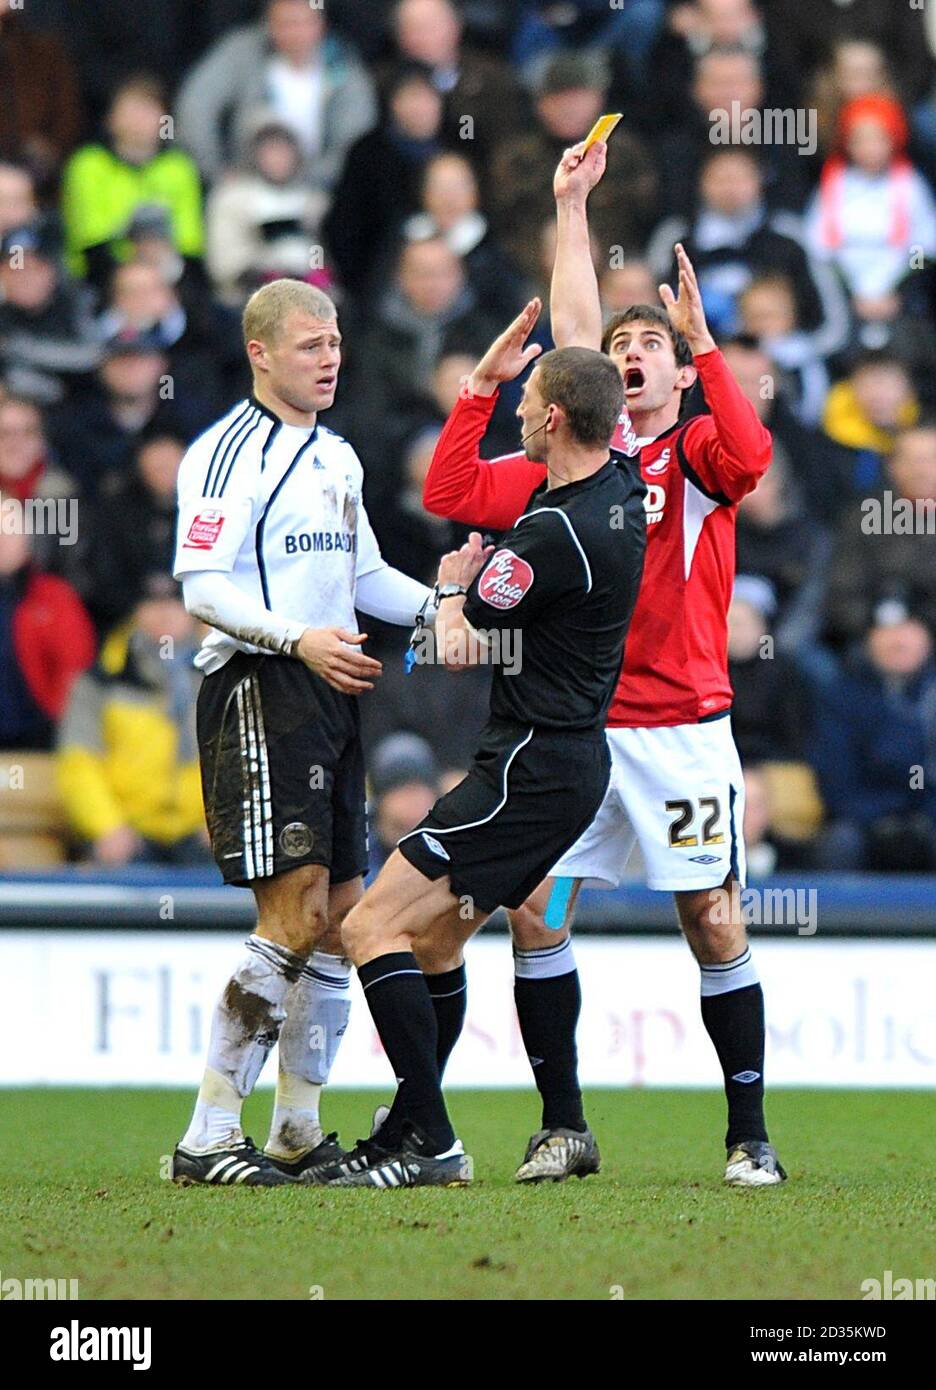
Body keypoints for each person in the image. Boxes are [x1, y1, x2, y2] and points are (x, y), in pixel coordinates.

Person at [423, 140, 785, 1188]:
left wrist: (711, 349)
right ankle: (564, 1125)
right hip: (580, 734)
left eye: (650, 345)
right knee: (536, 911)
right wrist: (569, 207)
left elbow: (755, 457)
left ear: (676, 372)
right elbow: (459, 484)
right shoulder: (585, 463)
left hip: (682, 731)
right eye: (622, 346)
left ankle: (749, 1135)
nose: (628, 353)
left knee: (712, 919)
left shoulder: (704, 460)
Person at [322, 301, 646, 1187]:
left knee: (368, 925)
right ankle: (416, 1132)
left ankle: (427, 1137)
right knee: (433, 945)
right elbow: (586, 371)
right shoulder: (621, 487)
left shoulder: (552, 533)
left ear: (551, 418)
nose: (514, 413)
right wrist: (486, 380)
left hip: (525, 769)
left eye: (523, 400)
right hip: (571, 764)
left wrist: (451, 582)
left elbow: (451, 643)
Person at [169, 278, 434, 1186]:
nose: (329, 358)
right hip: (260, 685)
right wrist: (298, 639)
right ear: (261, 352)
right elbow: (200, 585)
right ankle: (206, 1136)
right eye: (310, 344)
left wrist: (450, 605)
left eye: (334, 343)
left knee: (341, 921)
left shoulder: (340, 458)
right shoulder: (224, 454)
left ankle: (295, 1127)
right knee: (291, 913)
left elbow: (367, 578)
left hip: (333, 689)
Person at [56, 576, 210, 866]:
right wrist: (107, 827)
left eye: (175, 603)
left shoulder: (221, 676)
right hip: (129, 835)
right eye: (153, 603)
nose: (165, 613)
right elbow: (78, 763)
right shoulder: (101, 681)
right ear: (136, 611)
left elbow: (246, 759)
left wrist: (227, 824)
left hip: (203, 835)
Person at [175, 0, 377, 189]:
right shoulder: (242, 52)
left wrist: (321, 178)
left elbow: (357, 135)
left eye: (302, 23)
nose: (294, 33)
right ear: (268, 26)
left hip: (320, 187)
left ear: (321, 26)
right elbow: (195, 106)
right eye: (284, 24)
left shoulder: (342, 64)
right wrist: (215, 170)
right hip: (248, 185)